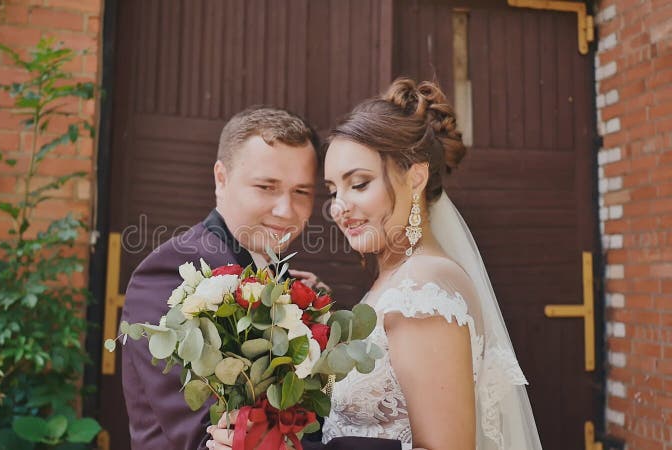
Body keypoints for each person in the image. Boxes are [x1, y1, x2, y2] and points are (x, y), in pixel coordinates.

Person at [208, 79, 542, 450]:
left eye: (360, 184)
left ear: (415, 178)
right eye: (334, 190)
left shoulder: (422, 291)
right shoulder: (397, 281)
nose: (339, 207)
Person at [121, 106, 402, 450]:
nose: (286, 210)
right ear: (221, 178)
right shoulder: (171, 272)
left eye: (301, 192)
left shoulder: (279, 274)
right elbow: (214, 437)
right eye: (267, 187)